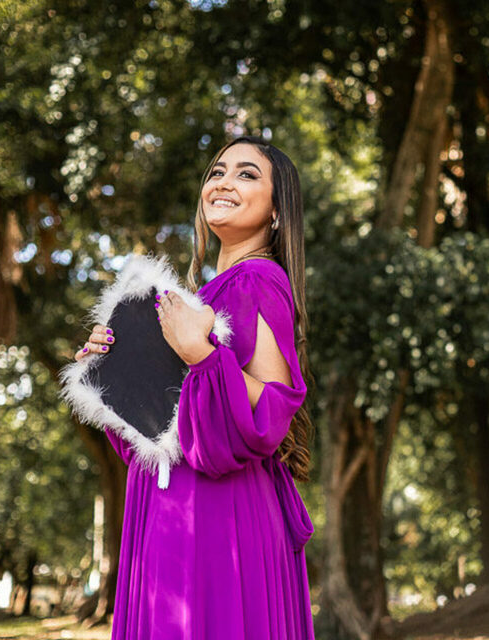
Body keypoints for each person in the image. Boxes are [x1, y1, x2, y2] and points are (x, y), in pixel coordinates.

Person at [73, 135, 316, 638]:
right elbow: (159, 427)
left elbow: (273, 410)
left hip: (217, 516)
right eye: (217, 172)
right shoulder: (200, 296)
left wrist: (202, 355)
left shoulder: (258, 280)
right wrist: (116, 369)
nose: (224, 181)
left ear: (276, 212)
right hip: (172, 508)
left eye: (248, 174)